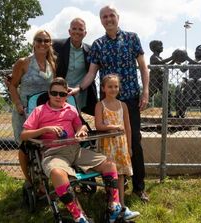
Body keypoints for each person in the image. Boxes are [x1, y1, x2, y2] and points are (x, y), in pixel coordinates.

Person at [70, 5, 150, 202]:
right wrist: (79, 89)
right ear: (101, 20)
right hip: (107, 103)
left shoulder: (132, 38)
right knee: (109, 143)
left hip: (130, 98)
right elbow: (91, 73)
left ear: (117, 17)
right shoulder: (98, 45)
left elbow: (143, 67)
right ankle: (115, 184)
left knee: (134, 141)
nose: (108, 19)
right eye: (104, 17)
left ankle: (139, 186)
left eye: (111, 15)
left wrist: (146, 90)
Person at [20, 77, 123, 223]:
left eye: (62, 94)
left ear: (66, 96)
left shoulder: (71, 109)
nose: (58, 96)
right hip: (53, 152)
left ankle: (113, 208)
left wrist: (81, 130)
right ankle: (79, 216)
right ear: (49, 93)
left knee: (110, 165)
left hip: (75, 149)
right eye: (54, 93)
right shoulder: (39, 111)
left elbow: (80, 126)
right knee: (57, 173)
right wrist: (45, 129)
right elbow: (24, 135)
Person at [7, 29, 56, 183]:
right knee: (25, 147)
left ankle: (43, 179)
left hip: (44, 112)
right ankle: (30, 181)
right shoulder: (23, 63)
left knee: (42, 146)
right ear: (33, 43)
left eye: (46, 40)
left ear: (50, 43)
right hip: (25, 111)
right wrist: (18, 104)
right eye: (39, 40)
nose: (42, 43)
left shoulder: (52, 64)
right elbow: (13, 86)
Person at [95, 74, 140, 220]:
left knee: (120, 175)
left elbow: (127, 128)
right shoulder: (100, 105)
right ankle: (111, 207)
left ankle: (122, 205)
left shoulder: (123, 106)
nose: (113, 89)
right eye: (110, 86)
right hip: (107, 145)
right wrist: (114, 126)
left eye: (116, 86)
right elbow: (99, 125)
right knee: (110, 176)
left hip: (121, 145)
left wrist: (129, 146)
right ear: (103, 88)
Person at [52, 18, 97, 116]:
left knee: (75, 119)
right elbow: (40, 56)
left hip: (79, 92)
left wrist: (78, 89)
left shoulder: (91, 50)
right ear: (69, 31)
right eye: (74, 28)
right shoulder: (56, 45)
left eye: (80, 29)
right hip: (60, 91)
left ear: (85, 33)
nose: (77, 32)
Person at [149, 40, 175, 116]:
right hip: (154, 79)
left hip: (161, 79)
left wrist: (174, 59)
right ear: (154, 48)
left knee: (167, 94)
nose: (162, 47)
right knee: (149, 94)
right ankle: (137, 109)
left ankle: (167, 112)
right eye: (160, 45)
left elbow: (167, 65)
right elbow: (161, 62)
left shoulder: (160, 57)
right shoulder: (153, 57)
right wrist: (172, 57)